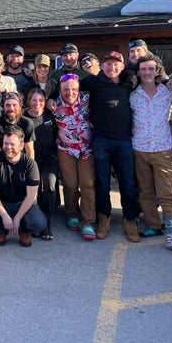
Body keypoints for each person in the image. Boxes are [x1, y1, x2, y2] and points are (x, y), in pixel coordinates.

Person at [130, 55, 172, 250]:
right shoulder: (133, 94)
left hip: (162, 149)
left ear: (158, 71)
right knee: (146, 191)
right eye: (143, 69)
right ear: (139, 72)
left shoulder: (168, 91)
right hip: (139, 148)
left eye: (151, 69)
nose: (147, 72)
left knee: (167, 192)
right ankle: (153, 225)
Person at [79, 51, 140, 242]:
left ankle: (130, 220)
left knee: (128, 183)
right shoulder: (92, 82)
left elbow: (153, 78)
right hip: (101, 141)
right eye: (108, 64)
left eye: (116, 64)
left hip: (124, 140)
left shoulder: (129, 81)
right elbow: (70, 85)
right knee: (102, 184)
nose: (112, 68)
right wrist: (51, 97)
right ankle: (103, 219)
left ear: (122, 66)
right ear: (102, 66)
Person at [0, 125, 46, 247]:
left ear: (21, 146)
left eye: (12, 144)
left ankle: (23, 232)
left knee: (39, 223)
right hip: (1, 203)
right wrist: (5, 216)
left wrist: (17, 218)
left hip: (23, 203)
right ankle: (1, 231)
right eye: (6, 143)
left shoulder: (30, 164)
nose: (8, 147)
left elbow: (31, 196)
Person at [52, 75, 97, 240]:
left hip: (86, 149)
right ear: (60, 90)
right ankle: (72, 213)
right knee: (70, 184)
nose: (70, 93)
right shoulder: (54, 104)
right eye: (65, 89)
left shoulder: (88, 99)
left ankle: (88, 221)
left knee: (87, 184)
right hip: (66, 148)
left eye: (73, 89)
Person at [24, 88, 59, 240]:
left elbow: (58, 133)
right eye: (34, 100)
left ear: (45, 102)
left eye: (40, 101)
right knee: (32, 189)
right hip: (30, 159)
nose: (37, 103)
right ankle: (33, 221)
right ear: (28, 101)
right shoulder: (23, 118)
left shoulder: (50, 115)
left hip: (49, 157)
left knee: (49, 186)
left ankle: (46, 222)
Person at [0, 91, 35, 160]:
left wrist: (30, 169)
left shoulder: (27, 123)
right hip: (1, 163)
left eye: (14, 105)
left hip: (21, 162)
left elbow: (29, 150)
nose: (11, 109)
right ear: (3, 107)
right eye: (8, 105)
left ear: (20, 107)